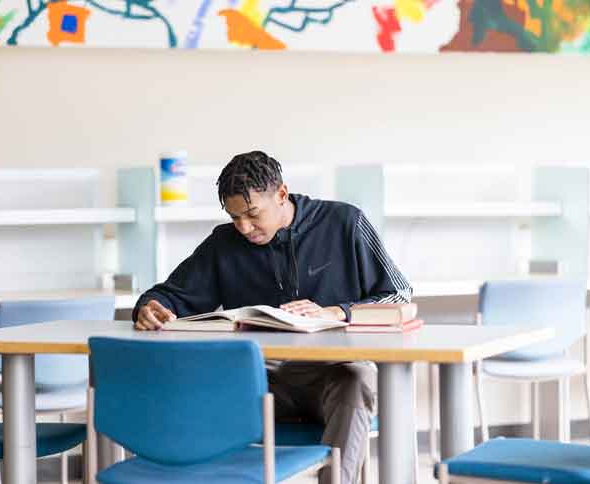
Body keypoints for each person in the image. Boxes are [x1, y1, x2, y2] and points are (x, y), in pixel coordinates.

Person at [133, 150, 412, 484]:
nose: (244, 227)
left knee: (357, 378)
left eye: (252, 214)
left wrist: (336, 312)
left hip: (331, 377)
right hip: (261, 382)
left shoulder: (345, 223)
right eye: (235, 217)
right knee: (193, 377)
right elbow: (172, 295)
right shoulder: (224, 243)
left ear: (281, 194)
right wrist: (149, 306)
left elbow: (398, 294)